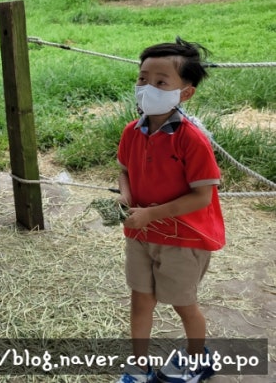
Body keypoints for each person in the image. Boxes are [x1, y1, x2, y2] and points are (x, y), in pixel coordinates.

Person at [115, 38, 225, 383]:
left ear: (185, 93)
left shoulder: (191, 139)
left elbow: (202, 197)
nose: (148, 88)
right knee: (140, 299)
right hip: (140, 234)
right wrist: (124, 196)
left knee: (183, 304)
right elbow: (124, 171)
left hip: (183, 237)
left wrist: (149, 214)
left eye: (161, 82)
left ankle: (197, 360)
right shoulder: (132, 132)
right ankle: (139, 366)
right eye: (143, 78)